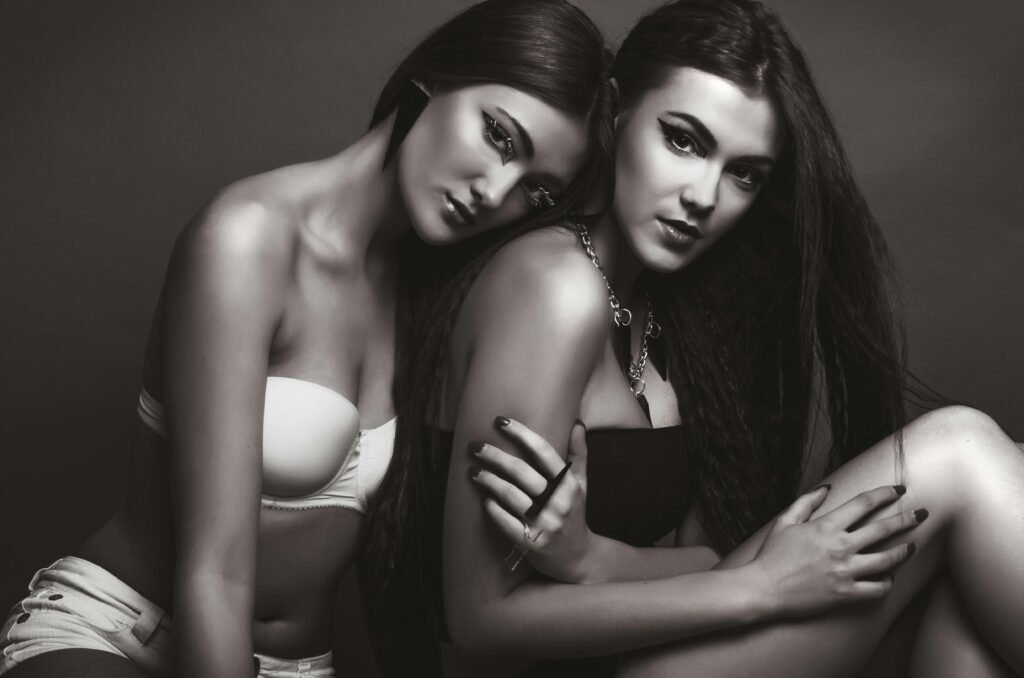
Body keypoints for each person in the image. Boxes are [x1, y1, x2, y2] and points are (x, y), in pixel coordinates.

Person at [366, 0, 1024, 676]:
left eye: (745, 174)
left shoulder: (676, 314)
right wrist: (760, 587)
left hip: (649, 656)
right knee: (962, 451)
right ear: (615, 112)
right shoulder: (552, 287)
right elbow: (480, 619)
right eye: (684, 141)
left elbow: (709, 555)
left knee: (963, 603)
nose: (704, 196)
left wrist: (591, 558)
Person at [0, 2, 614, 677]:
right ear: (436, 77)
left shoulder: (444, 301)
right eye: (499, 136)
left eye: (535, 189)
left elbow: (413, 584)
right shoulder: (248, 239)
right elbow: (214, 573)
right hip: (121, 635)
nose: (495, 192)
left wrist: (561, 524)